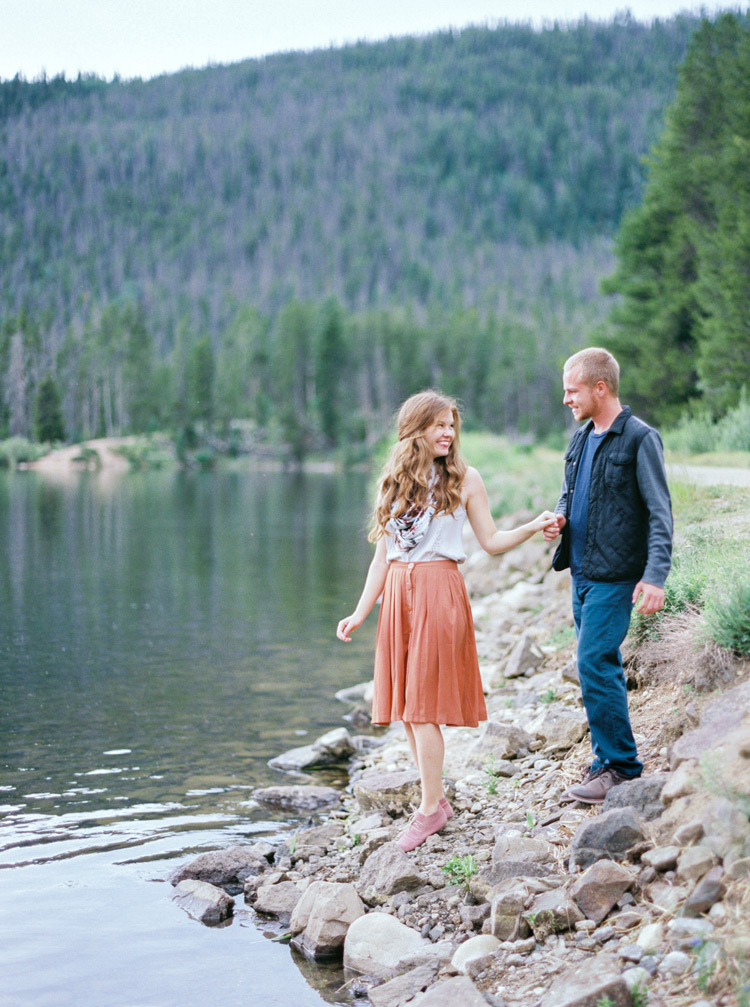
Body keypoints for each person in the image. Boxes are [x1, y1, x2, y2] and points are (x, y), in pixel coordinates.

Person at [337, 390, 557, 851]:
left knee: (422, 707)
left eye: (452, 425)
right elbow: (382, 560)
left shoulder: (464, 478)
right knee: (407, 709)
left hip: (440, 590)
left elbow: (492, 541)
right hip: (398, 592)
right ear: (415, 428)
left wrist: (535, 526)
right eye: (439, 425)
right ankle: (433, 801)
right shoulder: (393, 482)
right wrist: (359, 612)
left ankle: (429, 809)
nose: (448, 433)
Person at [543, 348, 673, 804]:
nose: (566, 399)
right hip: (580, 574)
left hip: (616, 578)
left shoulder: (640, 438)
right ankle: (604, 760)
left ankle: (621, 767)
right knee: (598, 664)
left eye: (572, 390)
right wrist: (560, 518)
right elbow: (569, 495)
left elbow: (660, 513)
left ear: (601, 387)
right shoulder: (581, 438)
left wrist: (655, 577)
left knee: (593, 660)